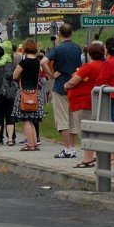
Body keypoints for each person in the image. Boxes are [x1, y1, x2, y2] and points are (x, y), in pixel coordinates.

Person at [40, 23, 82, 159]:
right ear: (72, 34)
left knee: (62, 119)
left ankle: (67, 148)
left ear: (59, 34)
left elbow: (43, 62)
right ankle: (74, 148)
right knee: (73, 120)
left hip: (60, 85)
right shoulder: (77, 48)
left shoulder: (58, 49)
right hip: (75, 85)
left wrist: (51, 74)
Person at [63, 42, 105, 168]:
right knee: (91, 131)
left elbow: (73, 81)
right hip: (95, 102)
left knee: (85, 132)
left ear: (89, 54)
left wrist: (66, 85)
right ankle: (92, 157)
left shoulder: (88, 67)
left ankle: (88, 159)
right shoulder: (103, 66)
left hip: (83, 103)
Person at [12, 39, 44, 151]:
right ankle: (34, 143)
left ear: (25, 48)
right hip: (35, 93)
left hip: (24, 93)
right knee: (32, 119)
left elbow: (15, 76)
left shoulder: (23, 62)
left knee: (26, 120)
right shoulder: (37, 62)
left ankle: (30, 144)